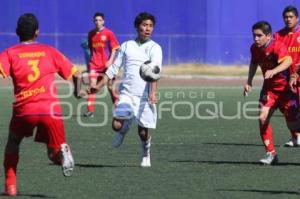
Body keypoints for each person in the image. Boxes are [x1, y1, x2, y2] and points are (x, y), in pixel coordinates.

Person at [0, 13, 80, 196]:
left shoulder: (9, 53)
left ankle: (10, 186)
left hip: (25, 110)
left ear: (17, 32)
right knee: (52, 153)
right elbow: (75, 74)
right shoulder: (49, 51)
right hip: (50, 110)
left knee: (13, 141)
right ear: (37, 32)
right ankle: (63, 153)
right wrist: (78, 91)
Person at [87, 12, 162, 167]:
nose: (147, 29)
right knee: (116, 125)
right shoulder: (126, 46)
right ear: (137, 27)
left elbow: (155, 72)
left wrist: (153, 93)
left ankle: (146, 154)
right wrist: (98, 87)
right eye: (144, 25)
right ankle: (124, 128)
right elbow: (113, 69)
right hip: (127, 93)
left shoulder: (155, 48)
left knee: (142, 132)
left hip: (144, 96)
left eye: (150, 26)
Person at [244, 21, 300, 165]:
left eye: (259, 35)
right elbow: (253, 63)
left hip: (286, 90)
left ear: (268, 36)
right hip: (269, 89)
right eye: (254, 35)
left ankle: (295, 135)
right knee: (263, 118)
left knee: (294, 125)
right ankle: (271, 153)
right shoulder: (255, 48)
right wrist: (249, 81)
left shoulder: (277, 46)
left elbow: (288, 61)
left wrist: (274, 70)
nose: (255, 39)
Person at [84, 12, 120, 118]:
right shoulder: (91, 34)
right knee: (92, 85)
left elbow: (114, 48)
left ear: (103, 21)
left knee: (110, 88)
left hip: (106, 65)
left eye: (100, 20)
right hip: (94, 65)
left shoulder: (109, 33)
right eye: (96, 20)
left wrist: (110, 61)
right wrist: (91, 60)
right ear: (93, 21)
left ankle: (118, 108)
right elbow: (91, 49)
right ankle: (90, 111)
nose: (98, 22)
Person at [274, 5, 300, 147]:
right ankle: (295, 137)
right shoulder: (278, 36)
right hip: (285, 79)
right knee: (289, 109)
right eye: (286, 17)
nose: (288, 19)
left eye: (291, 17)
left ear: (297, 18)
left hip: (298, 76)